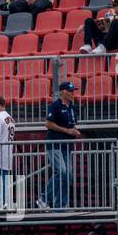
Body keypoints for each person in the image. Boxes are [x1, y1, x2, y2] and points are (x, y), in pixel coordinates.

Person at [41, 81, 81, 210]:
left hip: (67, 145)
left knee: (68, 175)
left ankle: (60, 206)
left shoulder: (72, 107)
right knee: (62, 172)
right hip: (55, 144)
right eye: (70, 91)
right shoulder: (55, 106)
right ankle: (44, 198)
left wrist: (74, 131)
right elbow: (48, 124)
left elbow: (71, 125)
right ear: (63, 92)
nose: (72, 93)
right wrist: (67, 131)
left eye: (73, 91)